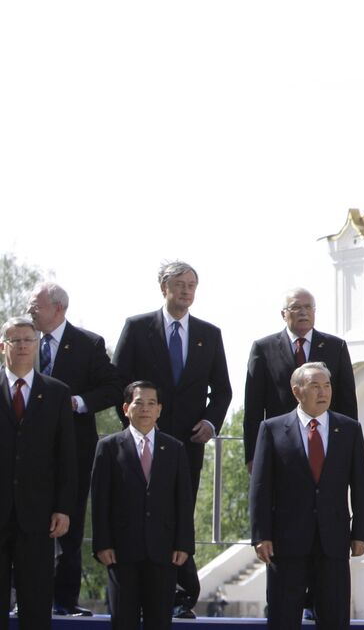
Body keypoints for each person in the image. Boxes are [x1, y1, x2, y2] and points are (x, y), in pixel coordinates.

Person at [112, 260, 233, 618]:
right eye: (179, 284)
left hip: (187, 445)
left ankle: (182, 593)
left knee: (181, 512)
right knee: (140, 511)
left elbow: (223, 391)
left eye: (192, 285)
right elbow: (119, 381)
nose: (186, 291)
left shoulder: (209, 334)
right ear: (163, 287)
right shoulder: (137, 328)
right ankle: (137, 591)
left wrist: (211, 423)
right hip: (143, 442)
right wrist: (137, 427)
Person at [250, 362, 364, 630]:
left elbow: (360, 485)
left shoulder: (349, 429)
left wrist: (361, 532)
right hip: (286, 542)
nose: (323, 392)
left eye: (326, 385)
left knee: (334, 616)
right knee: (283, 616)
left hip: (333, 541)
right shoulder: (272, 429)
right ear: (297, 392)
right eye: (314, 386)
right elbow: (260, 486)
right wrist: (261, 535)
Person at [27, 281, 123, 617]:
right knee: (21, 522)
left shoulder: (88, 344)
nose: (30, 312)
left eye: (35, 306)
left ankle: (63, 601)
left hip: (73, 450)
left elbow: (113, 387)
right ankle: (19, 596)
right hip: (26, 454)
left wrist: (79, 402)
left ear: (58, 309)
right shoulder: (23, 340)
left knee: (69, 524)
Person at [90, 381, 195, 630]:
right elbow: (99, 499)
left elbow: (183, 500)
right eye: (139, 403)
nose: (145, 409)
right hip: (121, 552)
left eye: (151, 403)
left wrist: (184, 544)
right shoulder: (108, 447)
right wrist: (102, 543)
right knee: (123, 621)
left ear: (159, 409)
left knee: (158, 621)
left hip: (163, 552)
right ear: (126, 408)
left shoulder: (174, 448)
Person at [0, 315, 77, 630]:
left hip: (39, 515)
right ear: (3, 346)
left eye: (28, 340)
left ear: (37, 345)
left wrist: (63, 507)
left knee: (35, 603)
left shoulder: (56, 392)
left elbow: (66, 456)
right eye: (15, 340)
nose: (22, 346)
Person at [244, 287, 357, 468]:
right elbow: (253, 406)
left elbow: (347, 402)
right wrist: (252, 454)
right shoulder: (264, 348)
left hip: (325, 441)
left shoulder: (336, 347)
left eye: (308, 307)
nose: (303, 312)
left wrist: (351, 448)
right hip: (281, 444)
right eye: (296, 308)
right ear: (283, 314)